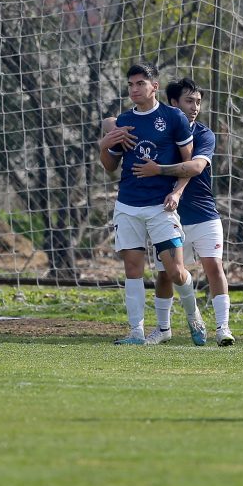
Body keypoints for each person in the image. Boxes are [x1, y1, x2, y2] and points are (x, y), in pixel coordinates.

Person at [98, 61, 206, 345]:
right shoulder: (123, 120)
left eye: (140, 84)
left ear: (154, 86)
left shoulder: (173, 118)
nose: (134, 89)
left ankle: (194, 316)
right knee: (133, 269)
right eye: (131, 84)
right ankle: (136, 331)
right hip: (128, 205)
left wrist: (177, 193)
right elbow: (109, 166)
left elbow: (189, 163)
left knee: (175, 272)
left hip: (161, 207)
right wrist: (105, 143)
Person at [132, 78, 235, 346]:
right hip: (167, 216)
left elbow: (195, 167)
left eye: (199, 102)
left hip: (204, 214)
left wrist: (161, 173)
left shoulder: (204, 134)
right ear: (174, 103)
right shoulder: (160, 131)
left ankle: (223, 328)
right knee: (166, 274)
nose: (195, 107)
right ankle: (163, 329)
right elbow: (114, 124)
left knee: (214, 267)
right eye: (189, 101)